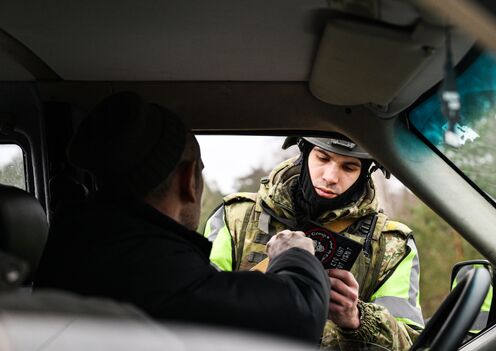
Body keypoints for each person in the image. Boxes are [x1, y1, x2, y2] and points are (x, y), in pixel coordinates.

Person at [34, 92, 331, 343]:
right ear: (188, 180)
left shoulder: (78, 241)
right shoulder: (147, 265)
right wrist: (294, 254)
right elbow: (300, 316)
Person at [204, 137, 424, 350]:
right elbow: (194, 305)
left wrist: (357, 319)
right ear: (304, 152)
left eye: (349, 167)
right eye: (322, 158)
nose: (330, 177)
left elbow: (413, 343)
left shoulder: (391, 244)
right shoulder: (235, 216)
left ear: (365, 173)